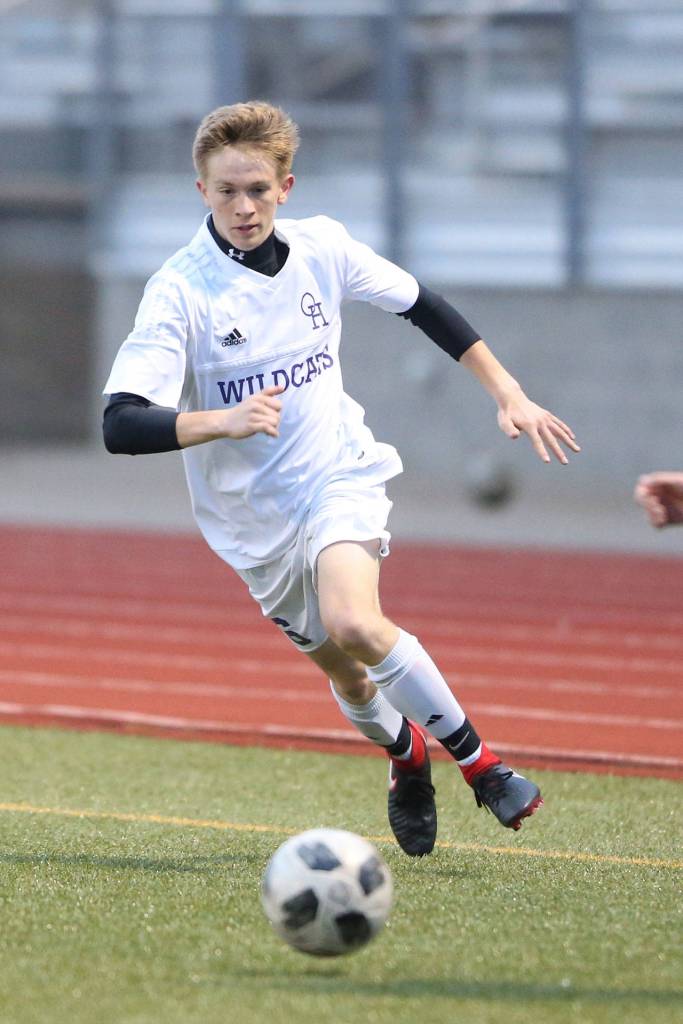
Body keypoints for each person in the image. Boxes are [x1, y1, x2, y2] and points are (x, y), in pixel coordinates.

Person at [103, 101, 580, 857]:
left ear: (285, 187)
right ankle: (405, 755)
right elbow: (120, 423)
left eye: (257, 189)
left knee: (355, 621)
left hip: (338, 473)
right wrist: (220, 421)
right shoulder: (179, 292)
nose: (243, 206)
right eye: (226, 191)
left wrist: (508, 392)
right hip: (252, 524)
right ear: (202, 191)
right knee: (350, 678)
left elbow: (423, 305)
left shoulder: (322, 247)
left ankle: (484, 767)